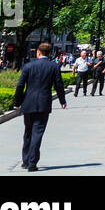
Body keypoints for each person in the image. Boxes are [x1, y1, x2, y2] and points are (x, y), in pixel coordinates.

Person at [13, 42, 67, 172]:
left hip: (28, 103)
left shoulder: (28, 66)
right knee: (37, 133)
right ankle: (32, 162)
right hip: (43, 104)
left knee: (28, 132)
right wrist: (62, 101)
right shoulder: (53, 67)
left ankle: (26, 160)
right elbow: (58, 85)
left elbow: (20, 85)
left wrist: (17, 102)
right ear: (49, 54)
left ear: (38, 52)